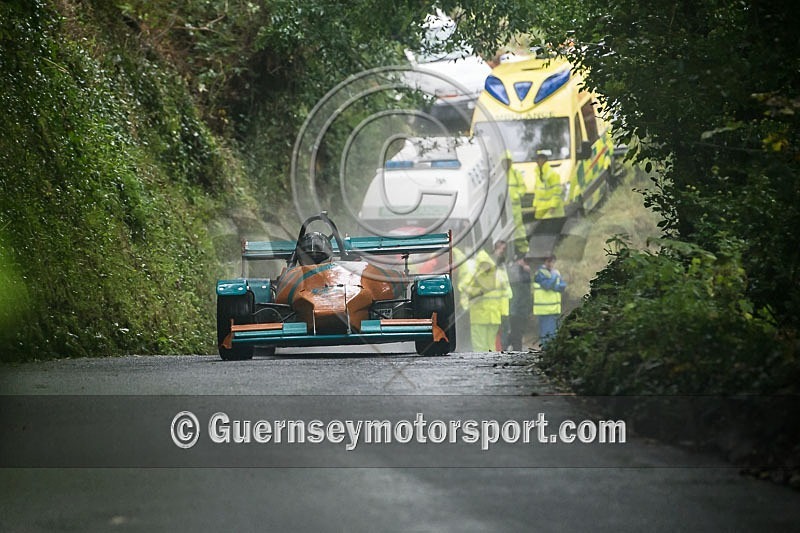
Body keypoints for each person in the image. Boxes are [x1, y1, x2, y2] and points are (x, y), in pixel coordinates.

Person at [458, 240, 507, 352]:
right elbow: (463, 286)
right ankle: (489, 368)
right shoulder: (494, 272)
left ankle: (485, 368)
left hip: (486, 315)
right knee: (486, 346)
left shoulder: (492, 270)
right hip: (487, 315)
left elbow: (504, 292)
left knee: (484, 347)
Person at [533, 254, 567, 348]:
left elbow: (563, 285)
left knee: (553, 333)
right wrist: (554, 277)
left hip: (554, 309)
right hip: (544, 309)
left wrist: (555, 286)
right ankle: (546, 352)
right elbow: (547, 286)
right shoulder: (540, 273)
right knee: (546, 333)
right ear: (544, 262)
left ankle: (551, 352)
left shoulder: (554, 272)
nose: (551, 264)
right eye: (549, 261)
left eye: (552, 261)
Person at [502, 150, 529, 256]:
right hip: (504, 209)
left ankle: (523, 250)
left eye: (508, 161)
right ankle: (510, 252)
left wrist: (517, 195)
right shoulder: (500, 175)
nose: (506, 163)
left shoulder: (516, 173)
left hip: (515, 207)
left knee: (519, 230)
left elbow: (523, 188)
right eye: (504, 161)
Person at [506, 252, 532, 351]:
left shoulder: (520, 270)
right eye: (524, 261)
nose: (526, 264)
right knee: (516, 332)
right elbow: (519, 282)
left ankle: (514, 347)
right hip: (516, 309)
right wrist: (525, 271)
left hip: (521, 308)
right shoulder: (515, 269)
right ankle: (516, 349)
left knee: (518, 331)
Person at [532, 150, 565, 220]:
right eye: (537, 159)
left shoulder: (552, 174)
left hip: (552, 211)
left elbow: (556, 192)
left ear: (544, 160)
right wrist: (535, 205)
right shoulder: (538, 173)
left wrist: (553, 206)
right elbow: (537, 192)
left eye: (539, 159)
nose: (537, 161)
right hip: (541, 210)